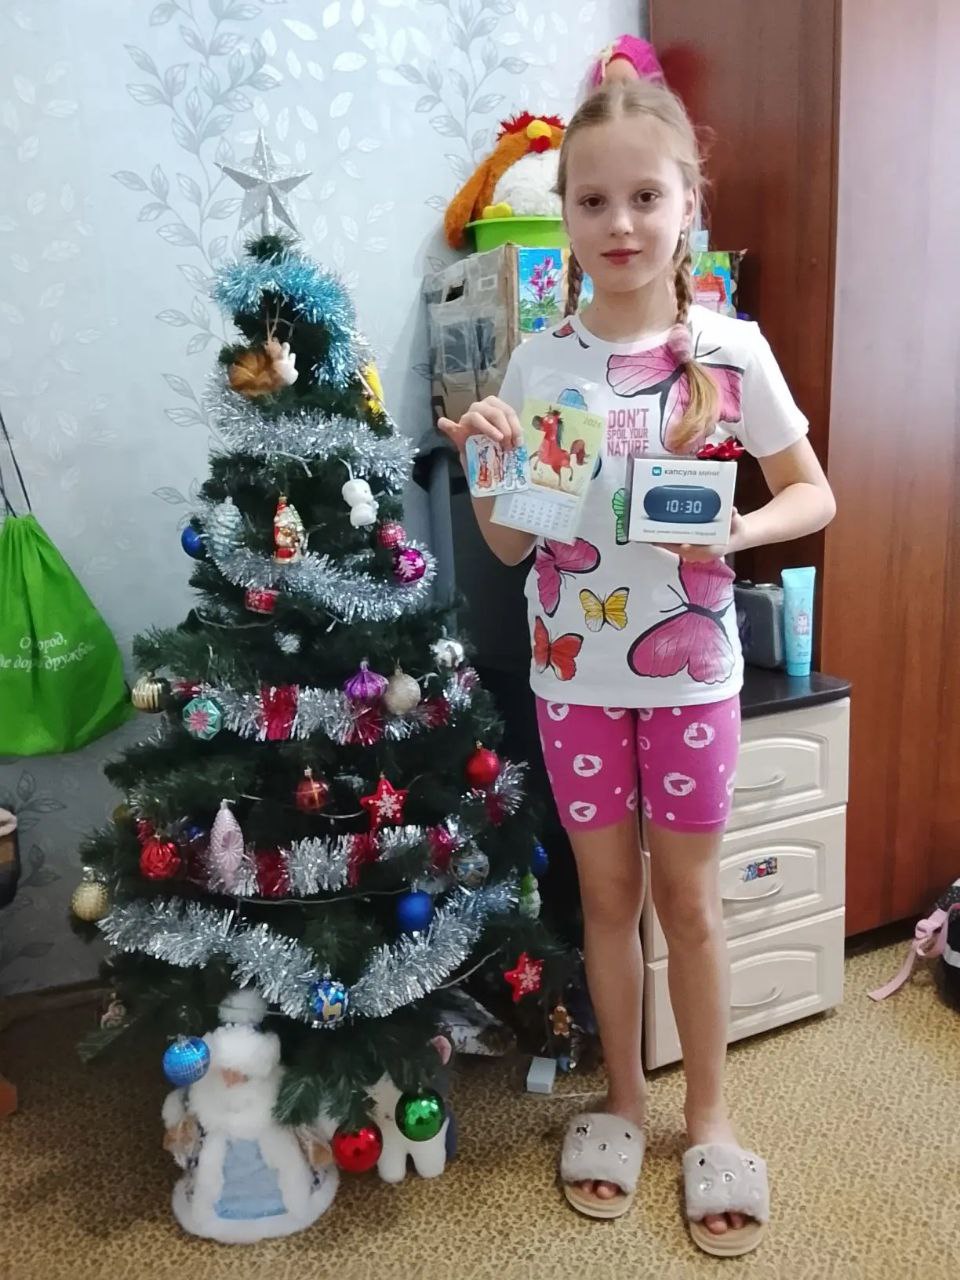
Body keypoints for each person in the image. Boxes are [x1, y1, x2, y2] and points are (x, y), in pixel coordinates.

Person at [438, 77, 835, 1258]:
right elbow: (512, 546)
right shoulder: (538, 363)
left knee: (690, 905)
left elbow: (814, 492)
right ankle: (622, 1099)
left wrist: (739, 529)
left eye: (646, 197)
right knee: (606, 901)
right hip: (573, 677)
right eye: (594, 201)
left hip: (693, 678)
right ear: (565, 214)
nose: (621, 223)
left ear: (687, 203)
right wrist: (486, 463)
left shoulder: (728, 351)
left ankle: (709, 1116)